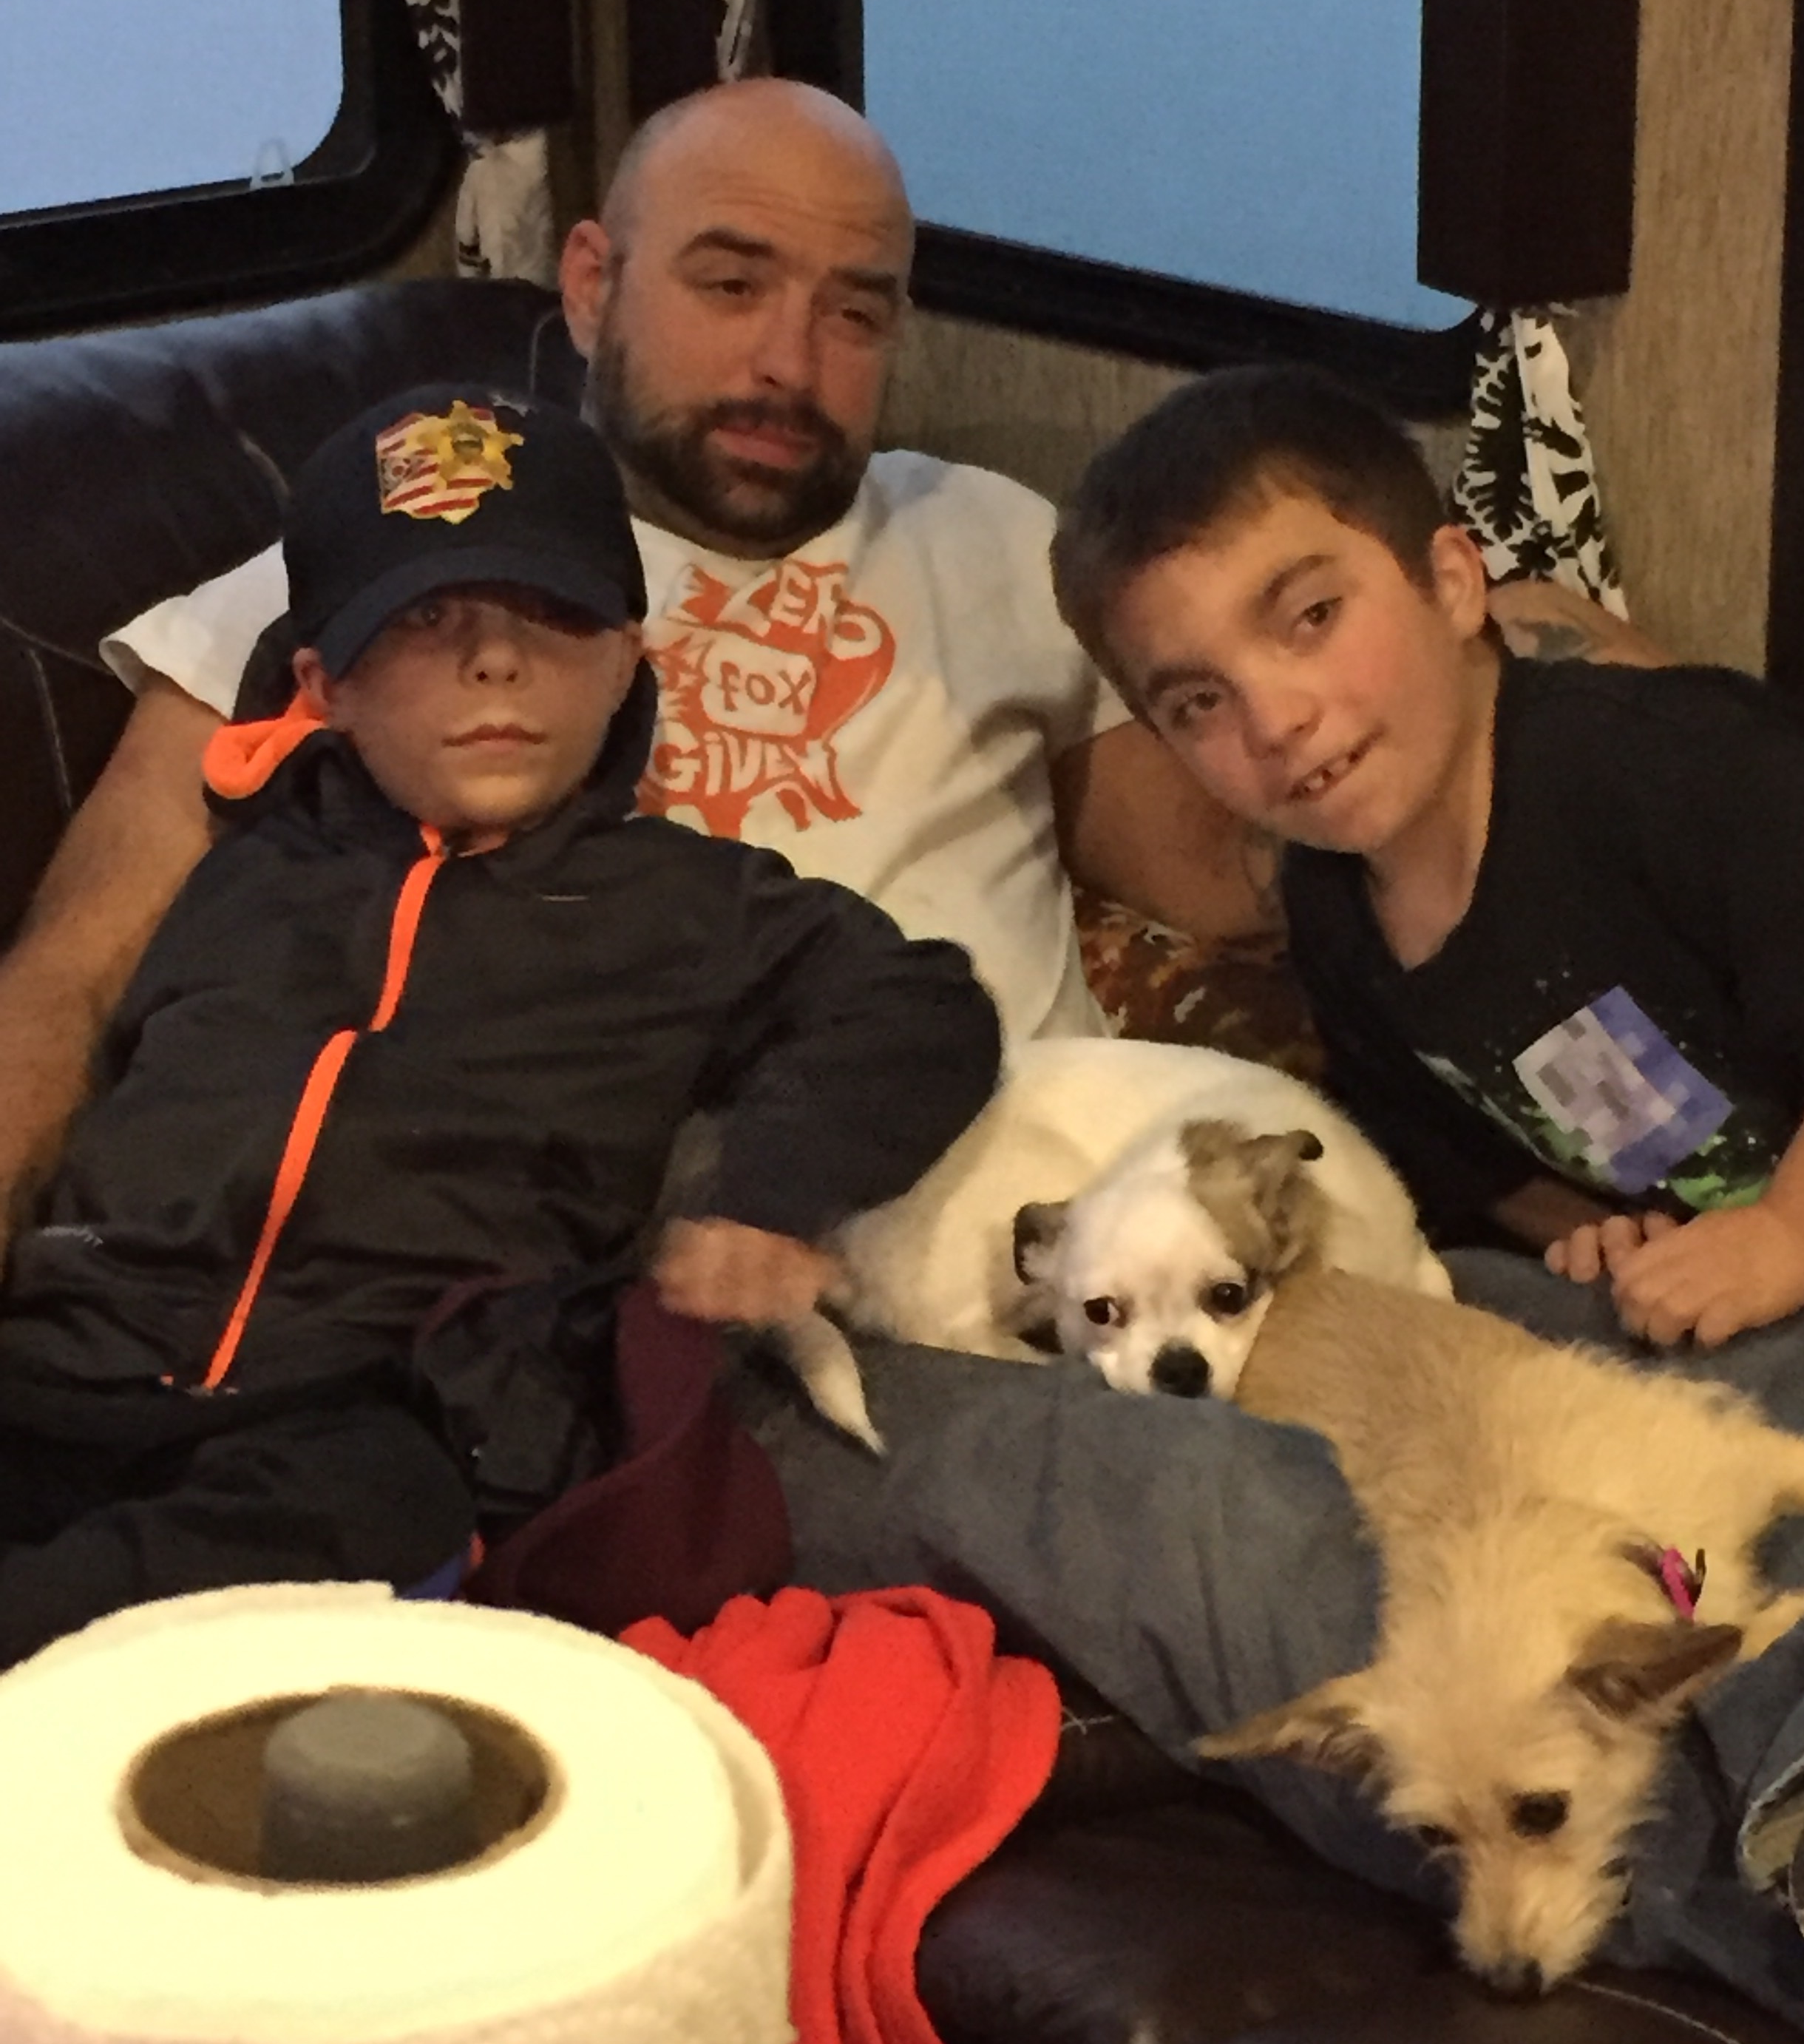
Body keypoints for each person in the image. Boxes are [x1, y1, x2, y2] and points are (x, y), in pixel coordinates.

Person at [0, 77, 1646, 1269]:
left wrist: (1513, 653)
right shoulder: (397, 555)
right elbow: (68, 983)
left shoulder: (998, 545)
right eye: (730, 285)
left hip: (1075, 1225)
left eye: (857, 313)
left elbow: (1241, 870)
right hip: (672, 1258)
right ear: (593, 283)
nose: (791, 361)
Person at [0, 384, 1000, 1668]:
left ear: (627, 660)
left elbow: (920, 1002)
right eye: (425, 619)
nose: (495, 660)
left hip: (361, 1403)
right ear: (325, 684)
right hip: (70, 1354)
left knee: (379, 1510)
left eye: (550, 612)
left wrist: (770, 1195)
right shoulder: (245, 865)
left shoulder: (688, 902)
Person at [1051, 360, 1804, 1351]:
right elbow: (1461, 1156)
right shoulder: (1330, 914)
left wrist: (1785, 1233)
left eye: (1313, 618)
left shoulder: (1677, 768)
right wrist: (1600, 1233)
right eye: (1200, 702)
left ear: (1451, 584)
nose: (1274, 722)